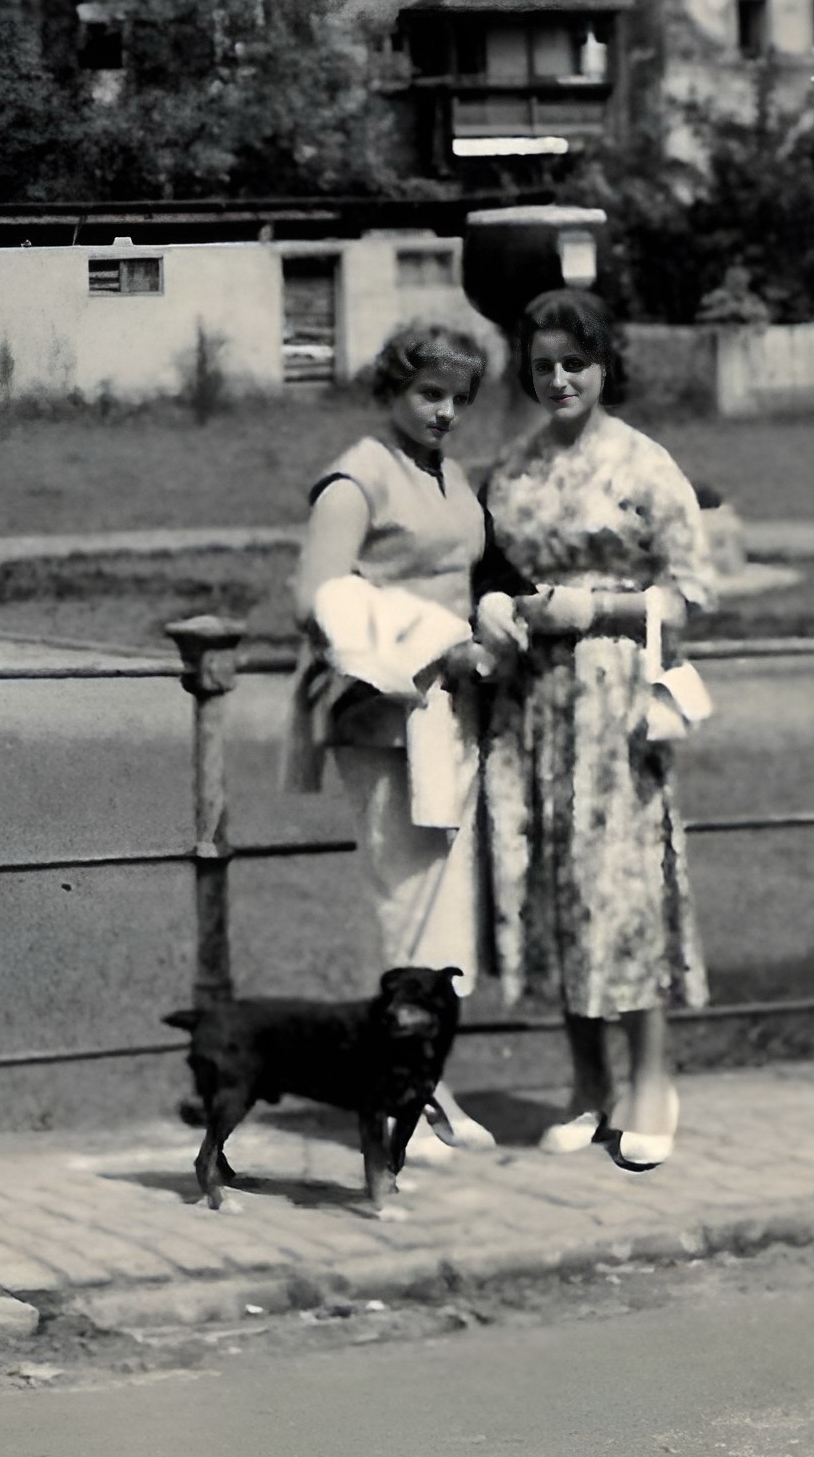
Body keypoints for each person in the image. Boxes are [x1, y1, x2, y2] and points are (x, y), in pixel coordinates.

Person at [476, 289, 715, 1170]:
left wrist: (594, 608)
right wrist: (498, 602)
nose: (559, 379)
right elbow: (492, 567)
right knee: (554, 883)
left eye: (573, 362)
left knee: (620, 888)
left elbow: (686, 598)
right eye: (542, 365)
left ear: (605, 364)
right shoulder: (514, 468)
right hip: (534, 704)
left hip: (616, 702)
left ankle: (650, 1080)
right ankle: (587, 1085)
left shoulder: (645, 465)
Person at [287, 317, 497, 1153]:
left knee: (445, 900)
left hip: (450, 710)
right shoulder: (356, 477)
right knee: (402, 894)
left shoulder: (448, 475)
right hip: (384, 711)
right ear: (391, 391)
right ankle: (397, 1090)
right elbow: (315, 599)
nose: (443, 412)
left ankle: (428, 1080)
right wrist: (426, 638)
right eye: (426, 393)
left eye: (455, 398)